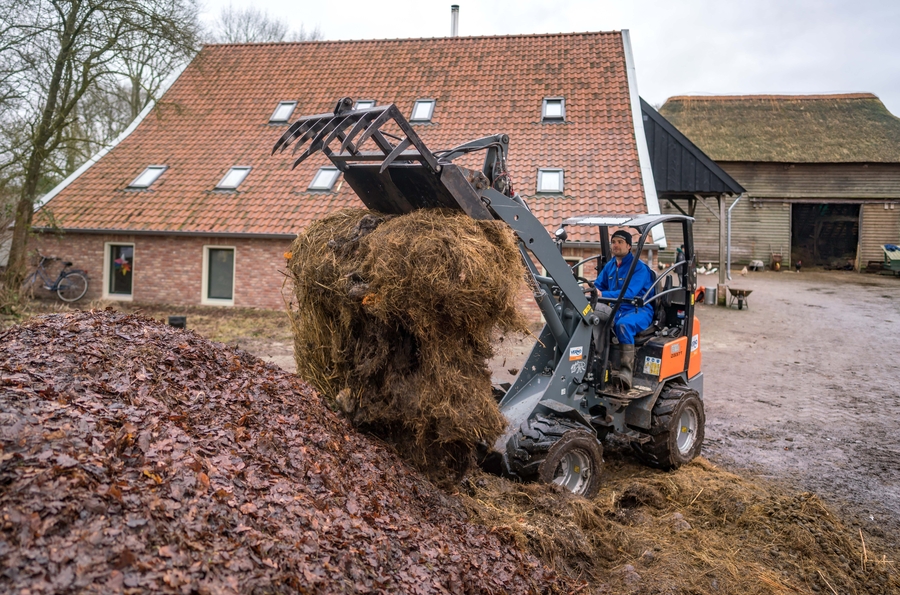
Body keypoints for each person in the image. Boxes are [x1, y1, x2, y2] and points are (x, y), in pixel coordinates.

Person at [594, 230, 655, 389]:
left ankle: (626, 372)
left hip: (638, 310)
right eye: (613, 242)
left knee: (623, 325)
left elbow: (629, 293)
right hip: (617, 309)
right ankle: (598, 364)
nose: (616, 245)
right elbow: (597, 286)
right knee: (594, 320)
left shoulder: (639, 268)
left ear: (629, 246)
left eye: (620, 242)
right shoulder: (610, 265)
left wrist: (602, 294)